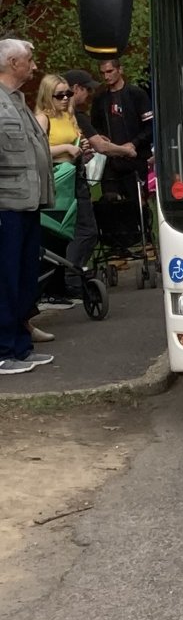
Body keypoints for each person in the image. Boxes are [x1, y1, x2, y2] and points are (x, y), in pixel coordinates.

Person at [0, 38, 55, 372]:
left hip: (28, 205)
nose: (35, 66)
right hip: (6, 207)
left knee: (23, 278)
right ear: (12, 63)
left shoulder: (17, 101)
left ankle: (20, 346)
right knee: (5, 279)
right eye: (30, 61)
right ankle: (4, 350)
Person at [30, 74, 83, 317]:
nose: (64, 99)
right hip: (53, 179)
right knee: (51, 232)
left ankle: (60, 288)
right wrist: (65, 148)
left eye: (68, 94)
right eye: (59, 95)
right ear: (47, 96)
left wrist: (81, 150)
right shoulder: (43, 119)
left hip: (72, 176)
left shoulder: (69, 116)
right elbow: (38, 152)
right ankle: (48, 291)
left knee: (65, 234)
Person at [88, 54, 151, 257]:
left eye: (110, 71)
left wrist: (134, 143)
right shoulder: (100, 99)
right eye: (103, 73)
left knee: (137, 202)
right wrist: (102, 139)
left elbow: (150, 126)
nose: (106, 76)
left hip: (135, 157)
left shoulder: (136, 94)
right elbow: (94, 127)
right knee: (110, 201)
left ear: (119, 70)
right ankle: (116, 243)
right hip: (111, 159)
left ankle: (145, 238)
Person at [61, 69, 100, 293]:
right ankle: (73, 278)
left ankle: (70, 276)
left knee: (72, 230)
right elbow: (101, 146)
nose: (89, 94)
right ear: (76, 89)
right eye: (86, 89)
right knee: (86, 231)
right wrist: (127, 149)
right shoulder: (76, 117)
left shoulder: (64, 118)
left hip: (72, 176)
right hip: (73, 180)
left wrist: (81, 151)